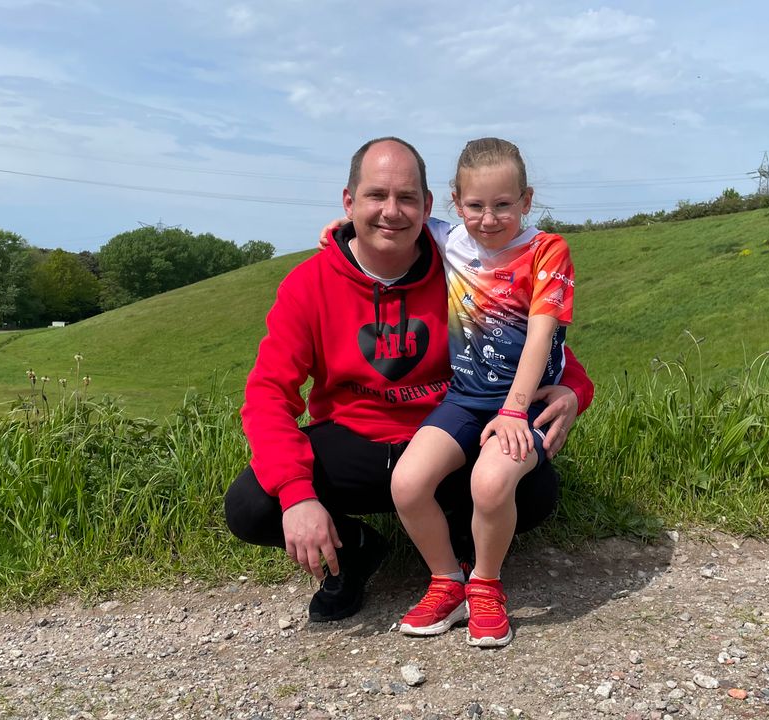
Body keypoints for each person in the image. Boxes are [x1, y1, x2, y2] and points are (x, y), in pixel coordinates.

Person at [224, 137, 594, 626]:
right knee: (253, 505)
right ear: (348, 201)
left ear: (430, 207)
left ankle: (465, 557)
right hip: (355, 443)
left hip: (448, 436)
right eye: (376, 196)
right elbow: (268, 395)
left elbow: (531, 342)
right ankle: (355, 551)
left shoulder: (459, 259)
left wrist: (574, 390)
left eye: (406, 199)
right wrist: (298, 494)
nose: (391, 212)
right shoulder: (307, 283)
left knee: (535, 488)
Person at [385, 137, 573, 648]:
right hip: (464, 397)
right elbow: (389, 221)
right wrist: (336, 229)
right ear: (454, 203)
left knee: (490, 484)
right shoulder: (450, 240)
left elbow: (540, 335)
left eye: (503, 205)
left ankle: (487, 585)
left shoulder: (546, 250)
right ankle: (449, 581)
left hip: (526, 402)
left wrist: (515, 411)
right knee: (407, 483)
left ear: (527, 201)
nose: (488, 219)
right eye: (475, 206)